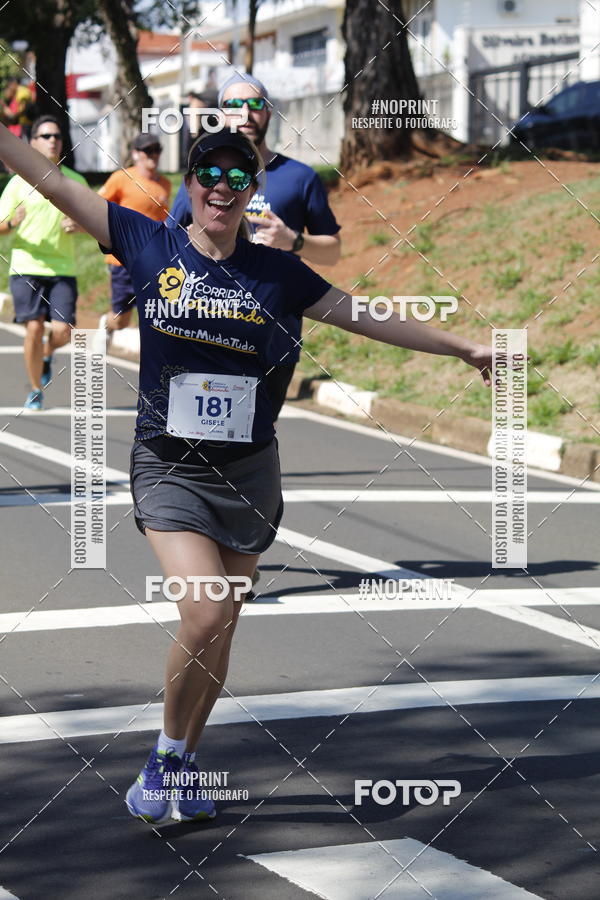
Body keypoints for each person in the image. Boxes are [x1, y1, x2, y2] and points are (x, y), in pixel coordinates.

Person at [0, 121, 493, 825]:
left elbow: (368, 315)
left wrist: (462, 346)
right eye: (210, 175)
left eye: (239, 177)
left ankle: (186, 765)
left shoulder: (278, 273)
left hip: (250, 473)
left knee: (222, 624)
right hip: (169, 466)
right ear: (190, 184)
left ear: (253, 191)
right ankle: (165, 760)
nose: (222, 189)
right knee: (203, 608)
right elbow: (49, 177)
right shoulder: (146, 242)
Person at [168, 74, 341, 420]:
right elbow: (168, 244)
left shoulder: (300, 177)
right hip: (205, 332)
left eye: (255, 104)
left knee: (254, 445)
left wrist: (294, 241)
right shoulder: (203, 175)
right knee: (196, 442)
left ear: (269, 113)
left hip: (273, 341)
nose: (245, 113)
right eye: (233, 105)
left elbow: (333, 251)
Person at [0, 115, 86, 409]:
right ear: (33, 143)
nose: (53, 141)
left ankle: (47, 354)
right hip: (26, 267)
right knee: (34, 328)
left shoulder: (76, 181)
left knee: (64, 332)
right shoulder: (17, 183)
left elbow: (98, 225)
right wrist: (11, 222)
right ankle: (36, 388)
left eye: (57, 136)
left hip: (63, 269)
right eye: (46, 136)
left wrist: (80, 225)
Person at [96, 132, 171, 343]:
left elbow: (164, 221)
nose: (153, 155)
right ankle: (106, 324)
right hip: (122, 261)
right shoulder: (122, 178)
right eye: (148, 150)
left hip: (153, 261)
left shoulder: (165, 184)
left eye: (157, 150)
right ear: (135, 154)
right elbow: (98, 206)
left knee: (156, 313)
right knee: (121, 320)